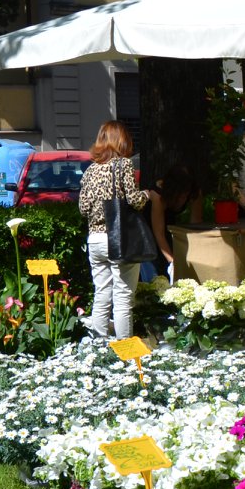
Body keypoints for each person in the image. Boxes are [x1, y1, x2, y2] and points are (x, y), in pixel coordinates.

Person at [78, 120, 150, 339]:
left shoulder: (90, 170)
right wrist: (147, 195)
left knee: (101, 294)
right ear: (123, 141)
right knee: (123, 297)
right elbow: (135, 201)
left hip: (95, 240)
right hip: (119, 240)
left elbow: (83, 208)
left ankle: (98, 346)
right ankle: (124, 350)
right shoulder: (124, 165)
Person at [144, 164, 198, 283]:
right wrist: (173, 262)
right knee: (159, 273)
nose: (183, 199)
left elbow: (195, 223)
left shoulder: (193, 192)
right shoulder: (157, 196)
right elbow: (159, 234)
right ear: (173, 190)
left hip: (169, 229)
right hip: (149, 235)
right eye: (180, 195)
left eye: (186, 194)